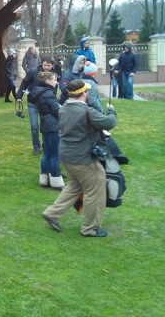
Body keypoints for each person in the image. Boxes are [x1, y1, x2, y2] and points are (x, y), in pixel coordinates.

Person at [42, 79, 117, 237]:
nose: (87, 93)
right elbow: (109, 122)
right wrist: (111, 111)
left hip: (66, 155)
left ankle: (52, 214)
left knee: (74, 186)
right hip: (83, 158)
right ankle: (90, 228)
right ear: (83, 93)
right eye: (86, 91)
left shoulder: (63, 108)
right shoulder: (87, 112)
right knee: (95, 190)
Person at [30, 71, 63, 190]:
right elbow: (56, 110)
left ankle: (44, 178)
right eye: (54, 80)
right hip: (53, 126)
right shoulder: (48, 93)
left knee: (47, 153)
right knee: (55, 154)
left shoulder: (40, 92)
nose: (56, 82)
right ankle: (56, 180)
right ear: (48, 81)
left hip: (45, 124)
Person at [16, 56, 55, 155]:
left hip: (46, 103)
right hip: (33, 102)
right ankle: (36, 147)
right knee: (34, 126)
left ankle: (46, 146)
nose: (46, 67)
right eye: (45, 65)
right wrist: (19, 96)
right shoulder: (33, 72)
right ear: (42, 64)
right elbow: (24, 84)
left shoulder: (54, 74)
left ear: (52, 66)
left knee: (45, 125)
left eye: (49, 65)